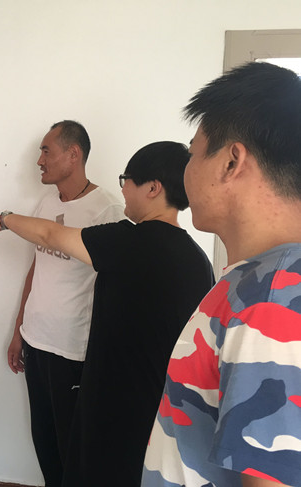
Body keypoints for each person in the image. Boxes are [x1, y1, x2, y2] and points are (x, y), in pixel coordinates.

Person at [0, 141, 214, 486]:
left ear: (153, 188)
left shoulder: (129, 242)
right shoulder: (197, 260)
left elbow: (50, 234)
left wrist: (3, 220)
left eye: (127, 180)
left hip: (116, 404)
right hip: (162, 406)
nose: (123, 188)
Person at [141, 62, 301, 487]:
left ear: (231, 162)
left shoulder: (271, 298)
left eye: (193, 152)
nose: (186, 170)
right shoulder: (260, 281)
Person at [5, 120, 124, 487]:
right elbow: (36, 269)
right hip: (36, 341)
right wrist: (19, 331)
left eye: (46, 151)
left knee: (73, 449)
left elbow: (115, 289)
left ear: (74, 154)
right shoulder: (46, 202)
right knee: (44, 442)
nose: (39, 160)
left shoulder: (107, 210)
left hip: (73, 352)